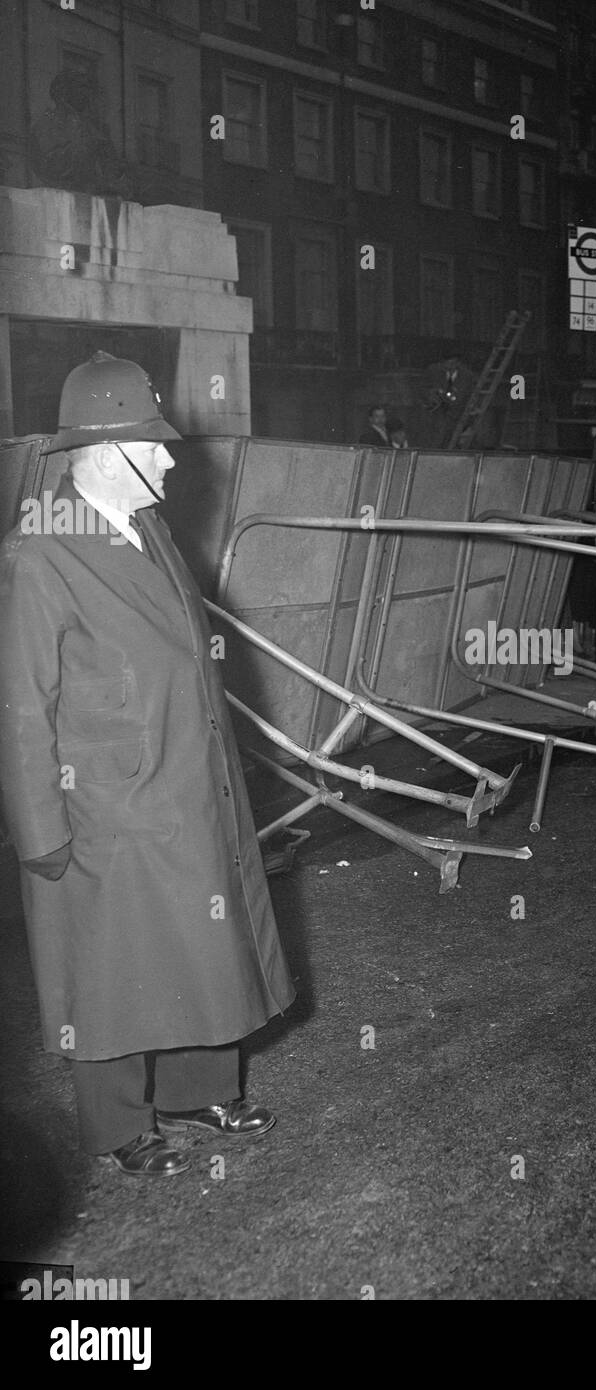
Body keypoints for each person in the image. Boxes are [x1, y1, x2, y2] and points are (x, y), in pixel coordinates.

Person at [0, 352, 295, 1178]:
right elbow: (19, 709)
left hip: (184, 781)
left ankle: (200, 1091)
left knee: (201, 942)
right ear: (101, 456)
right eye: (151, 445)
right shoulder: (36, 554)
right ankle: (122, 1126)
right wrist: (41, 834)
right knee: (109, 967)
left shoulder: (149, 529)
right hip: (104, 807)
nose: (170, 457)